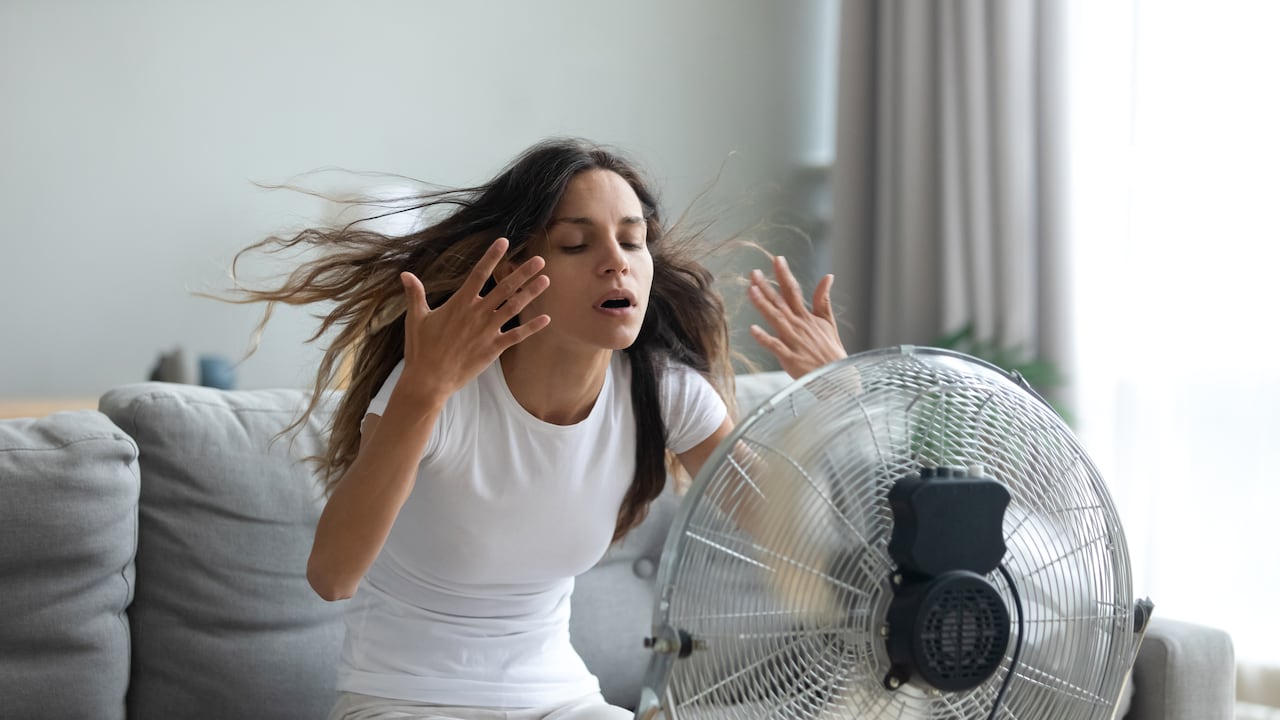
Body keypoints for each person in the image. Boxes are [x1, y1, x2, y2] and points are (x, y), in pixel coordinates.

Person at [229, 137, 847, 720]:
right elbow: (332, 576)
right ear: (515, 270)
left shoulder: (664, 394)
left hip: (561, 701)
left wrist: (843, 399)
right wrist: (423, 390)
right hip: (407, 700)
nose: (616, 264)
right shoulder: (440, 390)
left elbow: (803, 547)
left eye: (632, 243)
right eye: (578, 245)